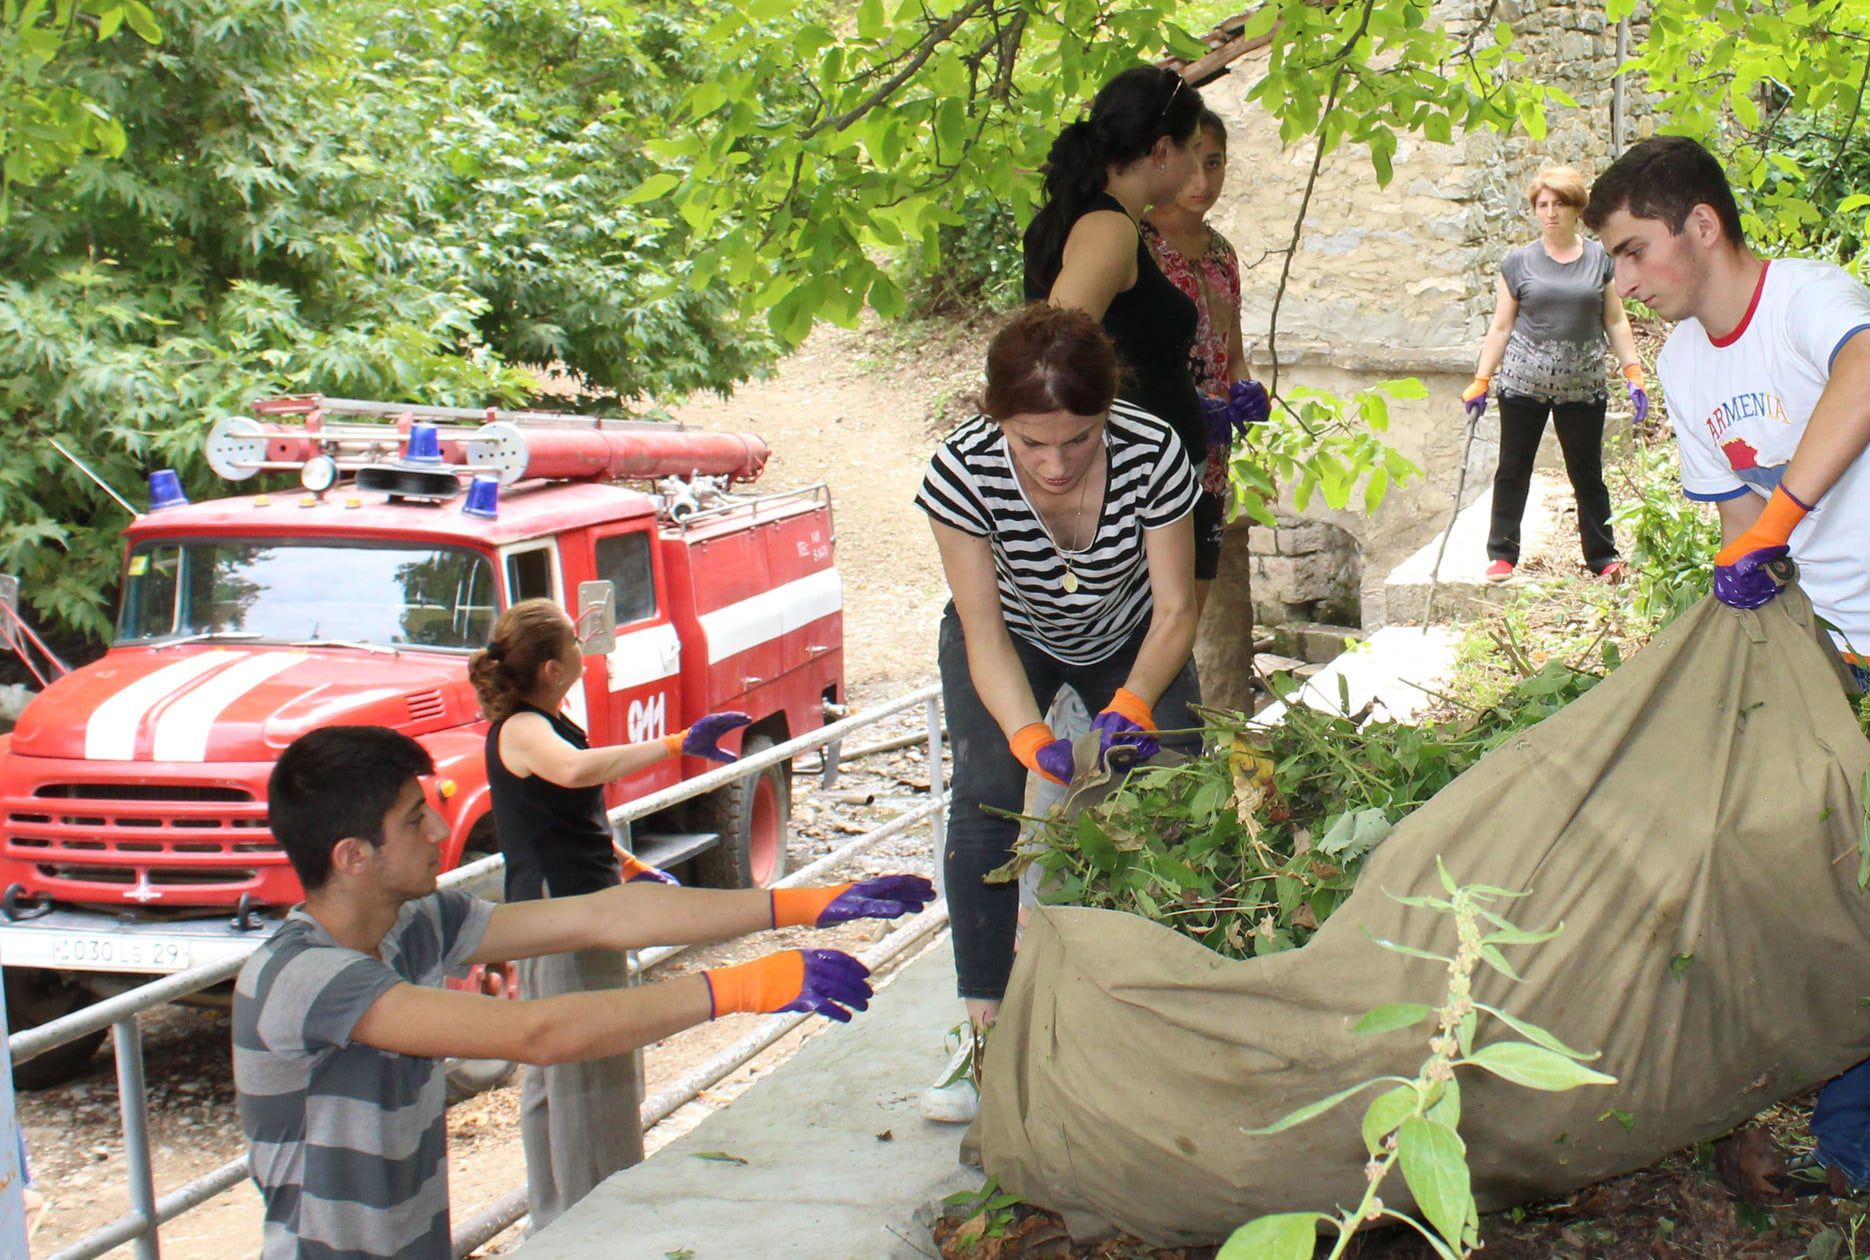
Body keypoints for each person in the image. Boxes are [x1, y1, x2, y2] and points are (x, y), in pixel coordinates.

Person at [1585, 135, 1870, 1205]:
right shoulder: (1686, 367)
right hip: (1832, 661)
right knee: (1837, 905)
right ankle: (1854, 1159)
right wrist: (1751, 609)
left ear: (1700, 224)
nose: (1624, 284)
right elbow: (1739, 526)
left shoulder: (1813, 300)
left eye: (1633, 252)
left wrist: (1777, 524)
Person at [234, 725, 932, 1259]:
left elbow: (604, 915)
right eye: (416, 819)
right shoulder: (302, 977)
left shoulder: (409, 923)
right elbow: (538, 1033)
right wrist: (745, 985)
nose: (440, 830)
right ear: (353, 857)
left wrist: (800, 903)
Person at [915, 304, 1203, 1122]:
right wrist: (1027, 735)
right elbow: (981, 629)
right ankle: (984, 1033)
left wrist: (1133, 703)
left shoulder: (1153, 452)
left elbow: (1177, 609)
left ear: (1106, 412)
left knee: (1175, 784)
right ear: (996, 421)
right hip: (1009, 635)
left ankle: (1161, 1000)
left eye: (1077, 440)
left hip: (1132, 631)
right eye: (1029, 443)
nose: (1053, 463)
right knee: (983, 801)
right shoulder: (961, 473)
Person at [468, 598, 745, 1229]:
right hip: (567, 914)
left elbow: (560, 822)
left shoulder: (542, 720)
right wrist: (673, 744)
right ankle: (599, 1219)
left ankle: (560, 1220)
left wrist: (629, 865)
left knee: (560, 1071)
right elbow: (572, 773)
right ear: (550, 668)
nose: (583, 648)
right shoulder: (523, 728)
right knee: (592, 1062)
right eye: (573, 640)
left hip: (572, 903)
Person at [1023, 64, 1225, 585]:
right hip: (1131, 492)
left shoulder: (1099, 218)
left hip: (1144, 482)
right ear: (1162, 151)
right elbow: (1051, 356)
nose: (1195, 169)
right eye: (1191, 150)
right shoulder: (1109, 229)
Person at [1463, 161, 1649, 584]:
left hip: (1582, 387)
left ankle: (1602, 556)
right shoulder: (1518, 264)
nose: (1550, 213)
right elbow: (1501, 326)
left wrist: (1633, 371)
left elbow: (1615, 320)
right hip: (1522, 385)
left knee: (1587, 475)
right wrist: (1481, 379)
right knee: (1513, 469)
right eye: (1543, 205)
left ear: (1576, 208)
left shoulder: (1600, 261)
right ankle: (1502, 553)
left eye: (1559, 204)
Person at [1141, 106, 1269, 609]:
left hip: (1212, 455)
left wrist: (1247, 391)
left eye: (1213, 164)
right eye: (1191, 165)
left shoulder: (1222, 254)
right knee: (1153, 600)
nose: (1201, 181)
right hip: (1153, 448)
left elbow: (1230, 351)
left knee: (1193, 596)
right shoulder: (1137, 243)